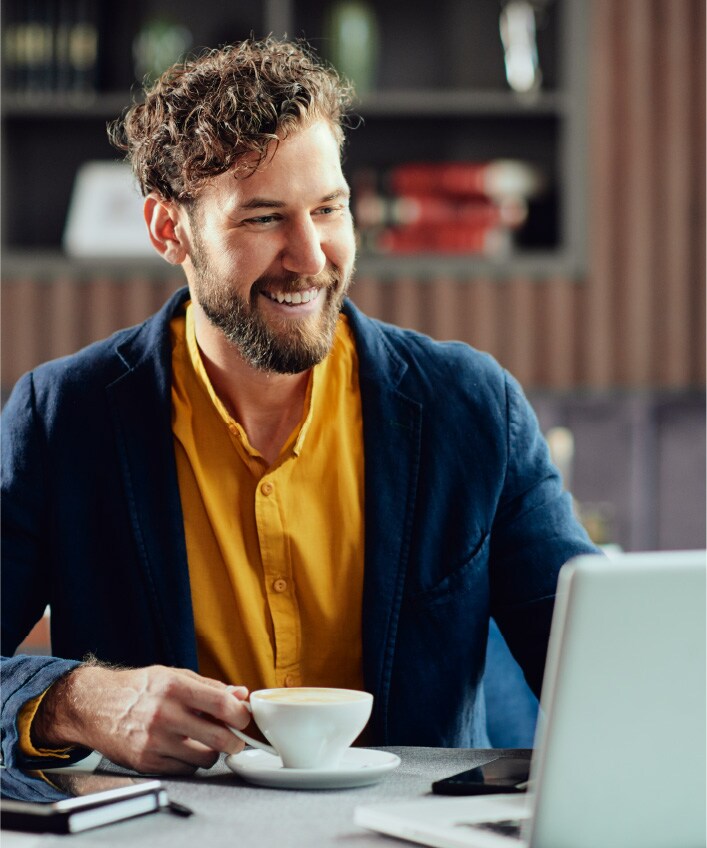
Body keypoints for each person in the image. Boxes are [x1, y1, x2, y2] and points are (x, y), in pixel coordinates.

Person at [0, 37, 597, 775]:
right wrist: (74, 702)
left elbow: (598, 674)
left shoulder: (470, 407)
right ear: (167, 229)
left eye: (328, 208)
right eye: (262, 219)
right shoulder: (64, 418)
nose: (311, 255)